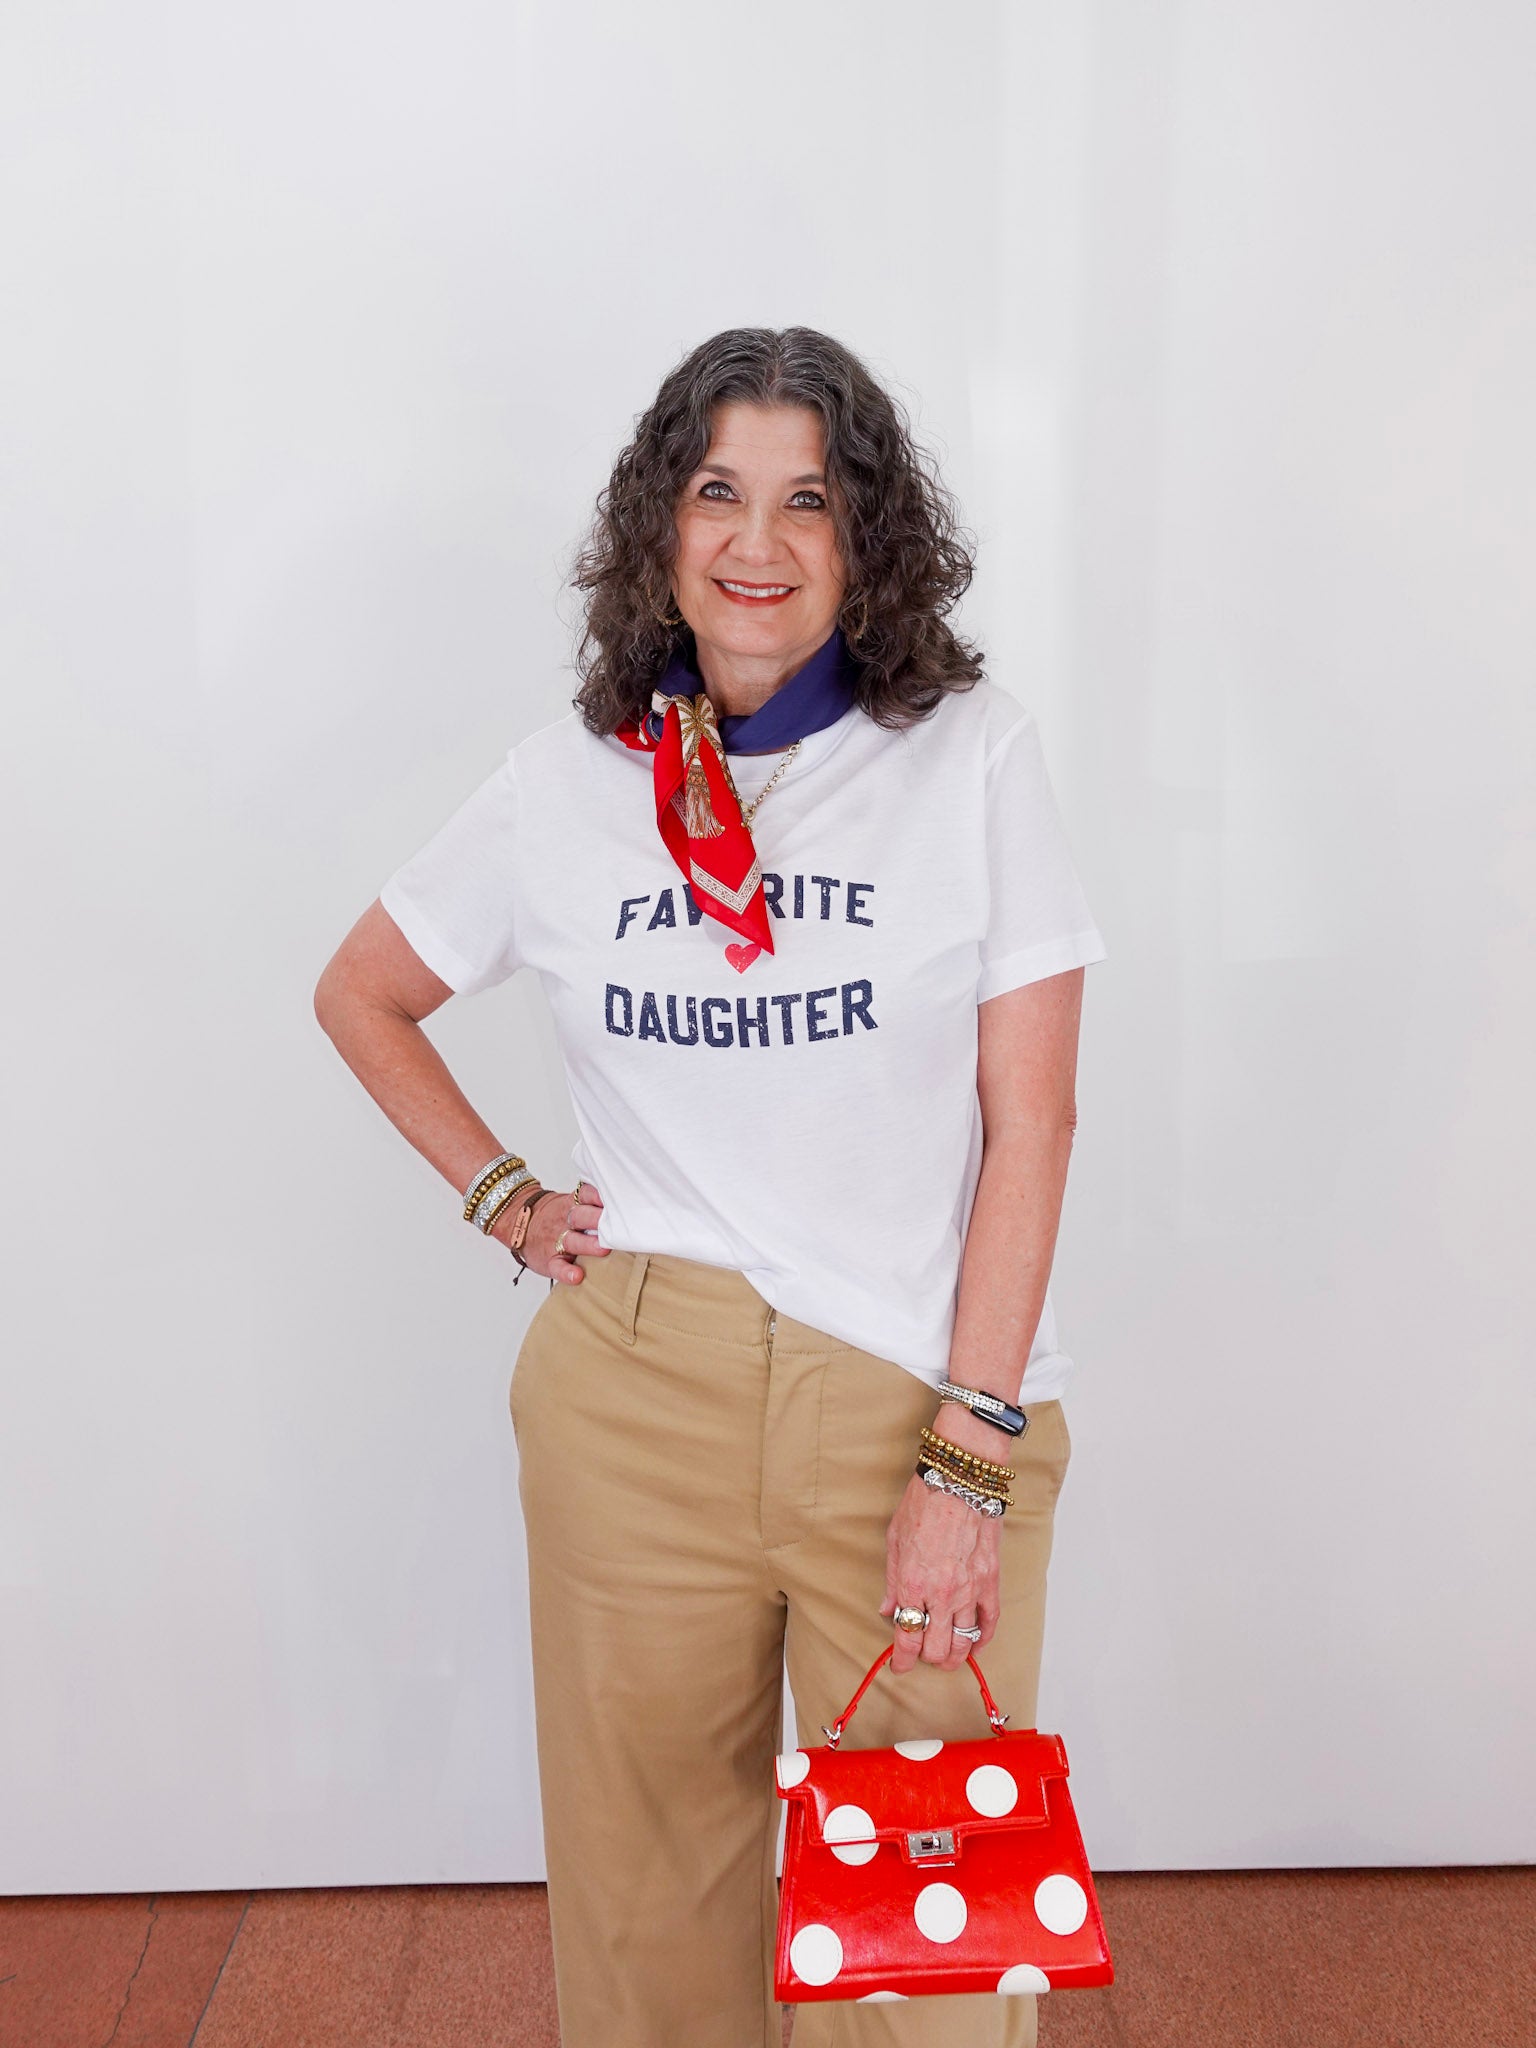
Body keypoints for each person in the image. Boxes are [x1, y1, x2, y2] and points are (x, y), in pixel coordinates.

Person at [314, 325, 1107, 2048]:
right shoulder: (563, 787)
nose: (759, 540)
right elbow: (361, 990)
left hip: (913, 1395)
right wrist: (506, 1195)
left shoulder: (967, 758)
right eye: (718, 491)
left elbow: (1031, 1124)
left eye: (809, 499)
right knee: (648, 1915)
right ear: (661, 531)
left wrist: (967, 1457)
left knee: (928, 1965)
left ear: (865, 539)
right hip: (634, 1400)